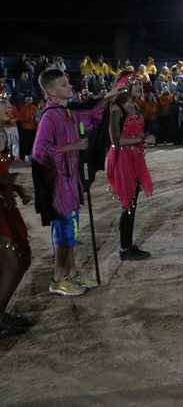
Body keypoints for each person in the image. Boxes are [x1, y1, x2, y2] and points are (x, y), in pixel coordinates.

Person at [32, 69, 123, 296]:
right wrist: (72, 147)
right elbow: (39, 151)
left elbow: (90, 116)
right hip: (59, 183)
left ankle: (71, 274)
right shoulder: (50, 116)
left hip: (71, 181)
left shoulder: (68, 113)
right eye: (64, 85)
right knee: (64, 232)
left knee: (71, 231)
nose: (69, 87)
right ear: (51, 91)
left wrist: (106, 99)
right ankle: (57, 279)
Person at [107, 74, 156, 261]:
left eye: (139, 83)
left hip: (135, 157)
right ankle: (125, 248)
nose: (139, 86)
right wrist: (142, 139)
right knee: (128, 204)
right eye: (134, 83)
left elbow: (137, 132)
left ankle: (127, 245)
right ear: (124, 87)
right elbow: (116, 140)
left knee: (132, 203)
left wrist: (146, 138)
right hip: (122, 159)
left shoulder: (135, 106)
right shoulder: (116, 109)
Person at [0, 93, 34, 336]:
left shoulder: (2, 132)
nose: (9, 107)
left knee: (23, 257)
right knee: (13, 261)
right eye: (3, 103)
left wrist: (17, 187)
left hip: (5, 201)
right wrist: (8, 180)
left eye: (8, 102)